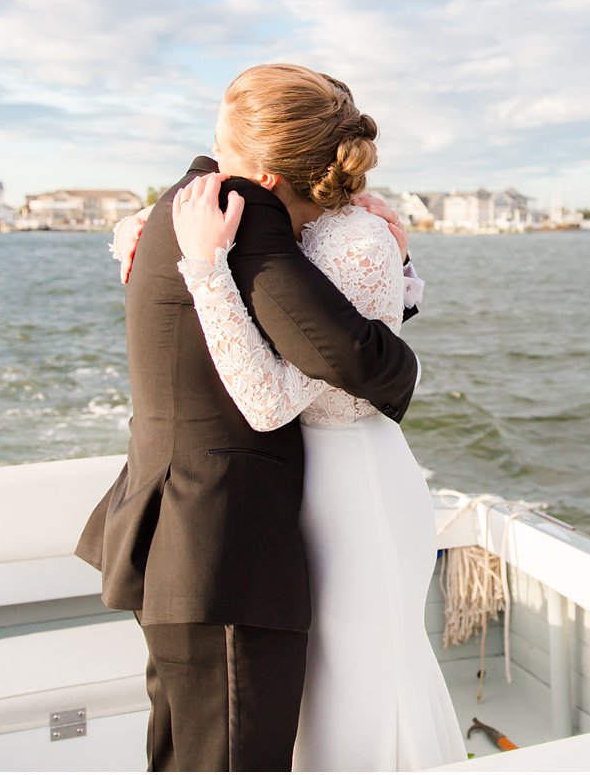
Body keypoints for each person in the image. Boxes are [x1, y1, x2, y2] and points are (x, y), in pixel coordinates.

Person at [115, 64, 468, 771]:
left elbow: (326, 319)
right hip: (220, 539)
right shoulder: (237, 222)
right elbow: (342, 358)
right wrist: (205, 269)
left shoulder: (193, 203)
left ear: (267, 169)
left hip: (246, 520)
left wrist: (394, 275)